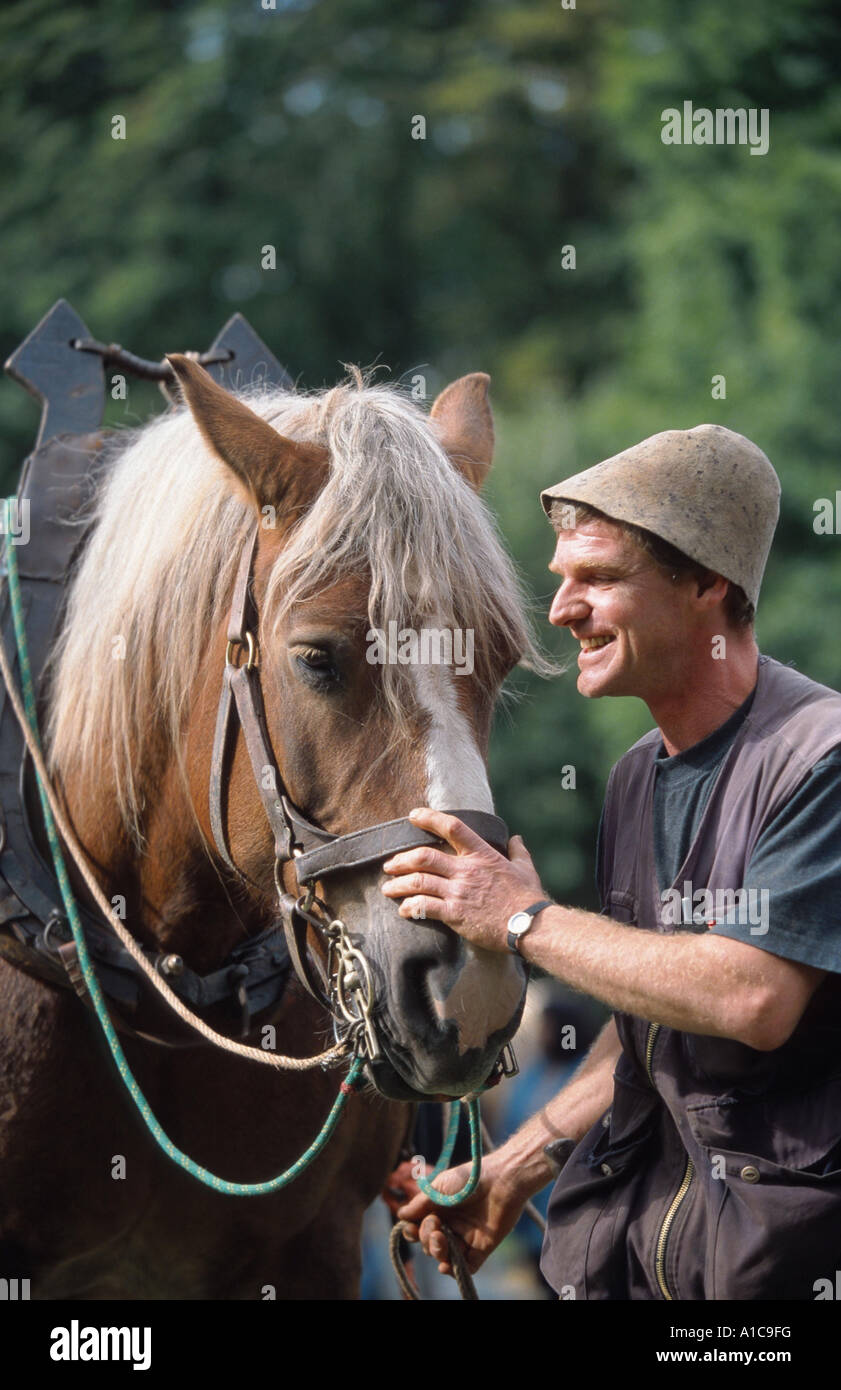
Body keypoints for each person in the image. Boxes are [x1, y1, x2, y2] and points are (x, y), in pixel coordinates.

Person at [380, 423, 841, 1301]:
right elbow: (653, 1024)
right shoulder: (637, 774)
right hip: (639, 1260)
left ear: (708, 583)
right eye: (561, 579)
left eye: (597, 578)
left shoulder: (820, 757)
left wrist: (522, 920)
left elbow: (750, 998)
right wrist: (513, 1168)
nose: (559, 611)